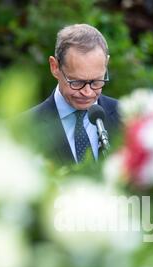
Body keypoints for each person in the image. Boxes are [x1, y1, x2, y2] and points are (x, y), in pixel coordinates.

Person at [27, 23, 120, 165]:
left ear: (105, 64)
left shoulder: (127, 118)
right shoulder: (24, 128)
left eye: (96, 82)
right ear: (55, 67)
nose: (87, 92)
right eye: (76, 82)